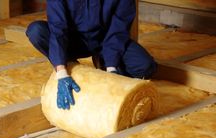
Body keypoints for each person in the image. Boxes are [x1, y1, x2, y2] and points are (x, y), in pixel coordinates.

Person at [26, 0, 157, 110]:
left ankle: (103, 61)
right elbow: (58, 29)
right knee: (36, 31)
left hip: (105, 41)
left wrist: (112, 67)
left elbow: (117, 31)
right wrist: (61, 72)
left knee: (145, 66)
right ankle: (72, 65)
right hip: (74, 40)